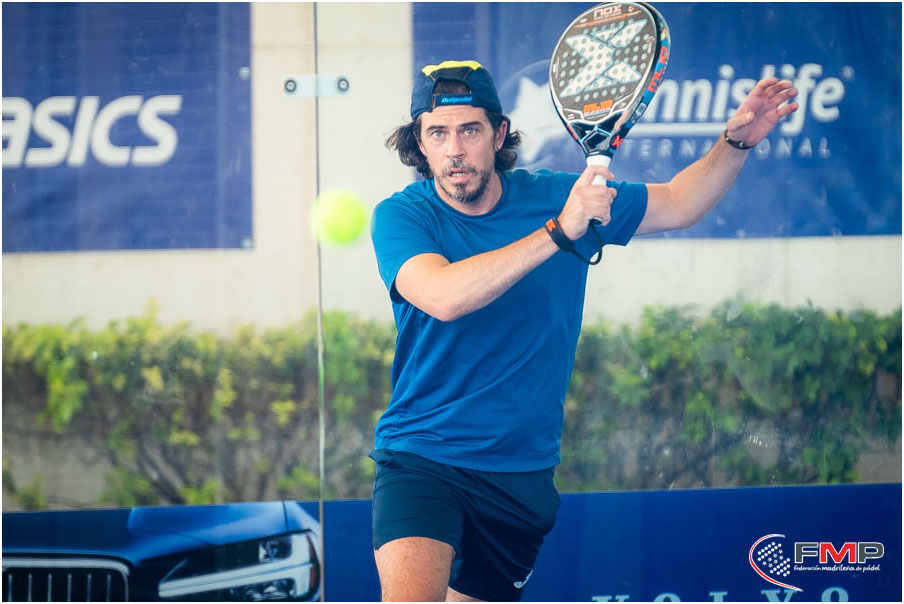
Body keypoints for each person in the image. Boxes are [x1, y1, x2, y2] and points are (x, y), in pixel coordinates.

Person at [369, 59, 798, 602]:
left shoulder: (557, 196)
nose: (454, 149)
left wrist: (734, 143)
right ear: (420, 144)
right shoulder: (403, 216)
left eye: (470, 130)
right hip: (423, 456)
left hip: (521, 470)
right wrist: (559, 231)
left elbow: (679, 203)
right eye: (437, 133)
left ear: (498, 134)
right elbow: (445, 297)